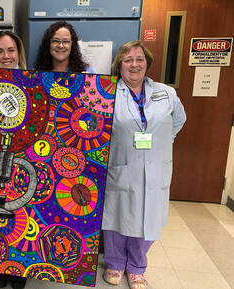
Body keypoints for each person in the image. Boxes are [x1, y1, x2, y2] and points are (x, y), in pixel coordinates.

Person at [102, 40, 186, 289]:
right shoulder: (108, 94)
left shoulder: (166, 93)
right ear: (120, 65)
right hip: (121, 165)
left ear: (147, 63)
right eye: (128, 60)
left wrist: (161, 143)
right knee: (116, 217)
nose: (134, 64)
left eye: (139, 59)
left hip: (155, 167)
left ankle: (137, 267)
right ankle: (115, 264)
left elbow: (179, 119)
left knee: (146, 218)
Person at [0, 31, 28, 289]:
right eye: (0, 51)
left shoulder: (32, 80)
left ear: (18, 53)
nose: (6, 56)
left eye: (11, 50)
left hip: (22, 152)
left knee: (20, 217)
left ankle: (18, 268)